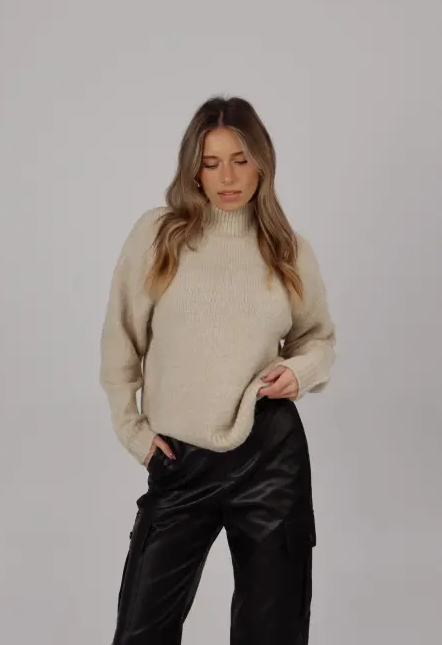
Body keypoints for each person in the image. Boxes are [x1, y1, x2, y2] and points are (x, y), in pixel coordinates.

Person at [98, 95, 336, 644]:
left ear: (262, 163)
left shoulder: (287, 249)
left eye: (240, 159)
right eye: (211, 163)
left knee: (271, 633)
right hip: (179, 461)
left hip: (270, 458)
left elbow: (317, 339)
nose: (227, 177)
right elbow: (120, 344)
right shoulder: (159, 236)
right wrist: (134, 432)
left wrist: (300, 372)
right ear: (194, 170)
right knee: (141, 630)